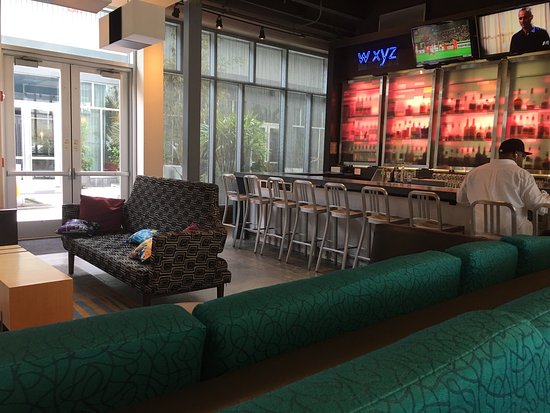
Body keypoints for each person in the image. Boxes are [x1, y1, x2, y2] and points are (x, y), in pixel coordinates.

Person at [457, 138, 550, 235]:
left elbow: (461, 199)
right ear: (516, 154)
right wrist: (545, 197)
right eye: (523, 156)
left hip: (479, 234)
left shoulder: (474, 173)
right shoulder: (522, 174)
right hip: (513, 237)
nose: (523, 159)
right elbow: (538, 206)